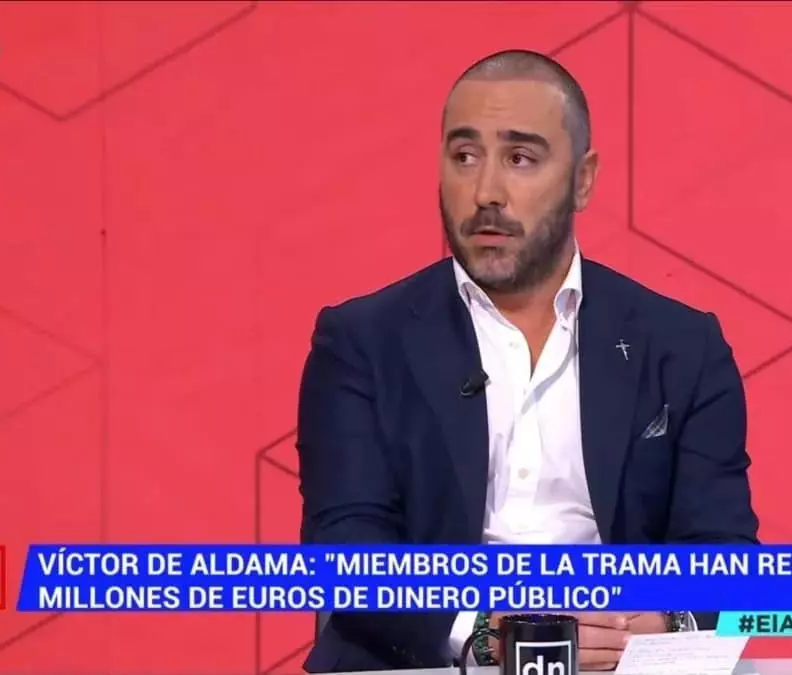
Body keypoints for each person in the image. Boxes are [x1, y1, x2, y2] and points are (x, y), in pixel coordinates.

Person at [296, 49, 759, 673]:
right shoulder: (360, 342)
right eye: (465, 156)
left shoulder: (682, 346)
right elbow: (345, 550)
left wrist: (662, 625)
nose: (486, 192)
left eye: (520, 158)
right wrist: (491, 636)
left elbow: (723, 552)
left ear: (582, 179)